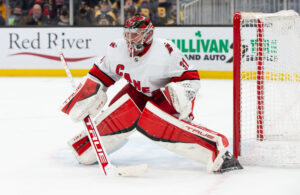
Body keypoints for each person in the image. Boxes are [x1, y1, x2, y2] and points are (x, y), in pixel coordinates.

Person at [61, 14, 243, 173]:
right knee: (115, 115)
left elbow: (192, 80)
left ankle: (218, 150)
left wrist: (178, 97)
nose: (129, 39)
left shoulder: (166, 51)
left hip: (164, 93)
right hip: (137, 92)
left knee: (158, 125)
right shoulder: (116, 49)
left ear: (148, 34)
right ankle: (86, 149)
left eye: (135, 35)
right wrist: (86, 96)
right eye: (127, 34)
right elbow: (100, 76)